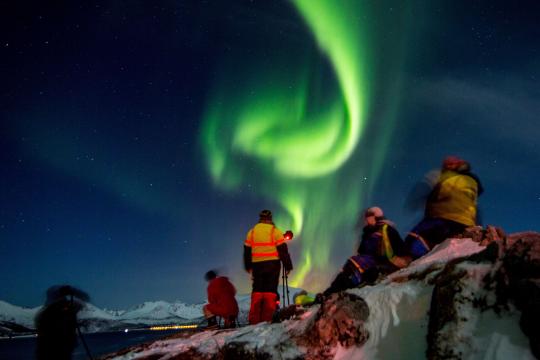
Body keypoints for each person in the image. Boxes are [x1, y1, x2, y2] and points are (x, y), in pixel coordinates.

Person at [404, 156, 483, 259]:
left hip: (441, 218)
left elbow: (424, 186)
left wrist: (415, 201)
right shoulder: (472, 182)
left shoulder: (441, 174)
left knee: (415, 238)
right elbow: (474, 205)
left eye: (449, 164)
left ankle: (412, 261)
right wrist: (476, 223)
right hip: (466, 223)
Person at [322, 207, 407, 297]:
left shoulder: (387, 230)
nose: (366, 219)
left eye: (368, 216)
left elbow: (400, 248)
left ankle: (334, 293)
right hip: (366, 262)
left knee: (356, 268)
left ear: (375, 216)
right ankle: (329, 294)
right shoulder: (368, 233)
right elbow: (362, 250)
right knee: (352, 265)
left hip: (383, 264)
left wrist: (401, 262)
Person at [244, 209, 293, 324]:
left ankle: (254, 321)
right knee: (270, 292)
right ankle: (268, 319)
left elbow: (247, 250)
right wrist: (288, 266)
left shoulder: (252, 232)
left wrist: (248, 266)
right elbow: (283, 250)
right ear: (270, 218)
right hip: (272, 265)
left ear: (260, 218)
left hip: (257, 265)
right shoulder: (275, 231)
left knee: (257, 291)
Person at [35, 285, 89, 360]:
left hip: (62, 352)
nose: (65, 305)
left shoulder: (48, 315)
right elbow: (84, 299)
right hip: (55, 353)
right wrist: (73, 291)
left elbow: (84, 299)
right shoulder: (50, 317)